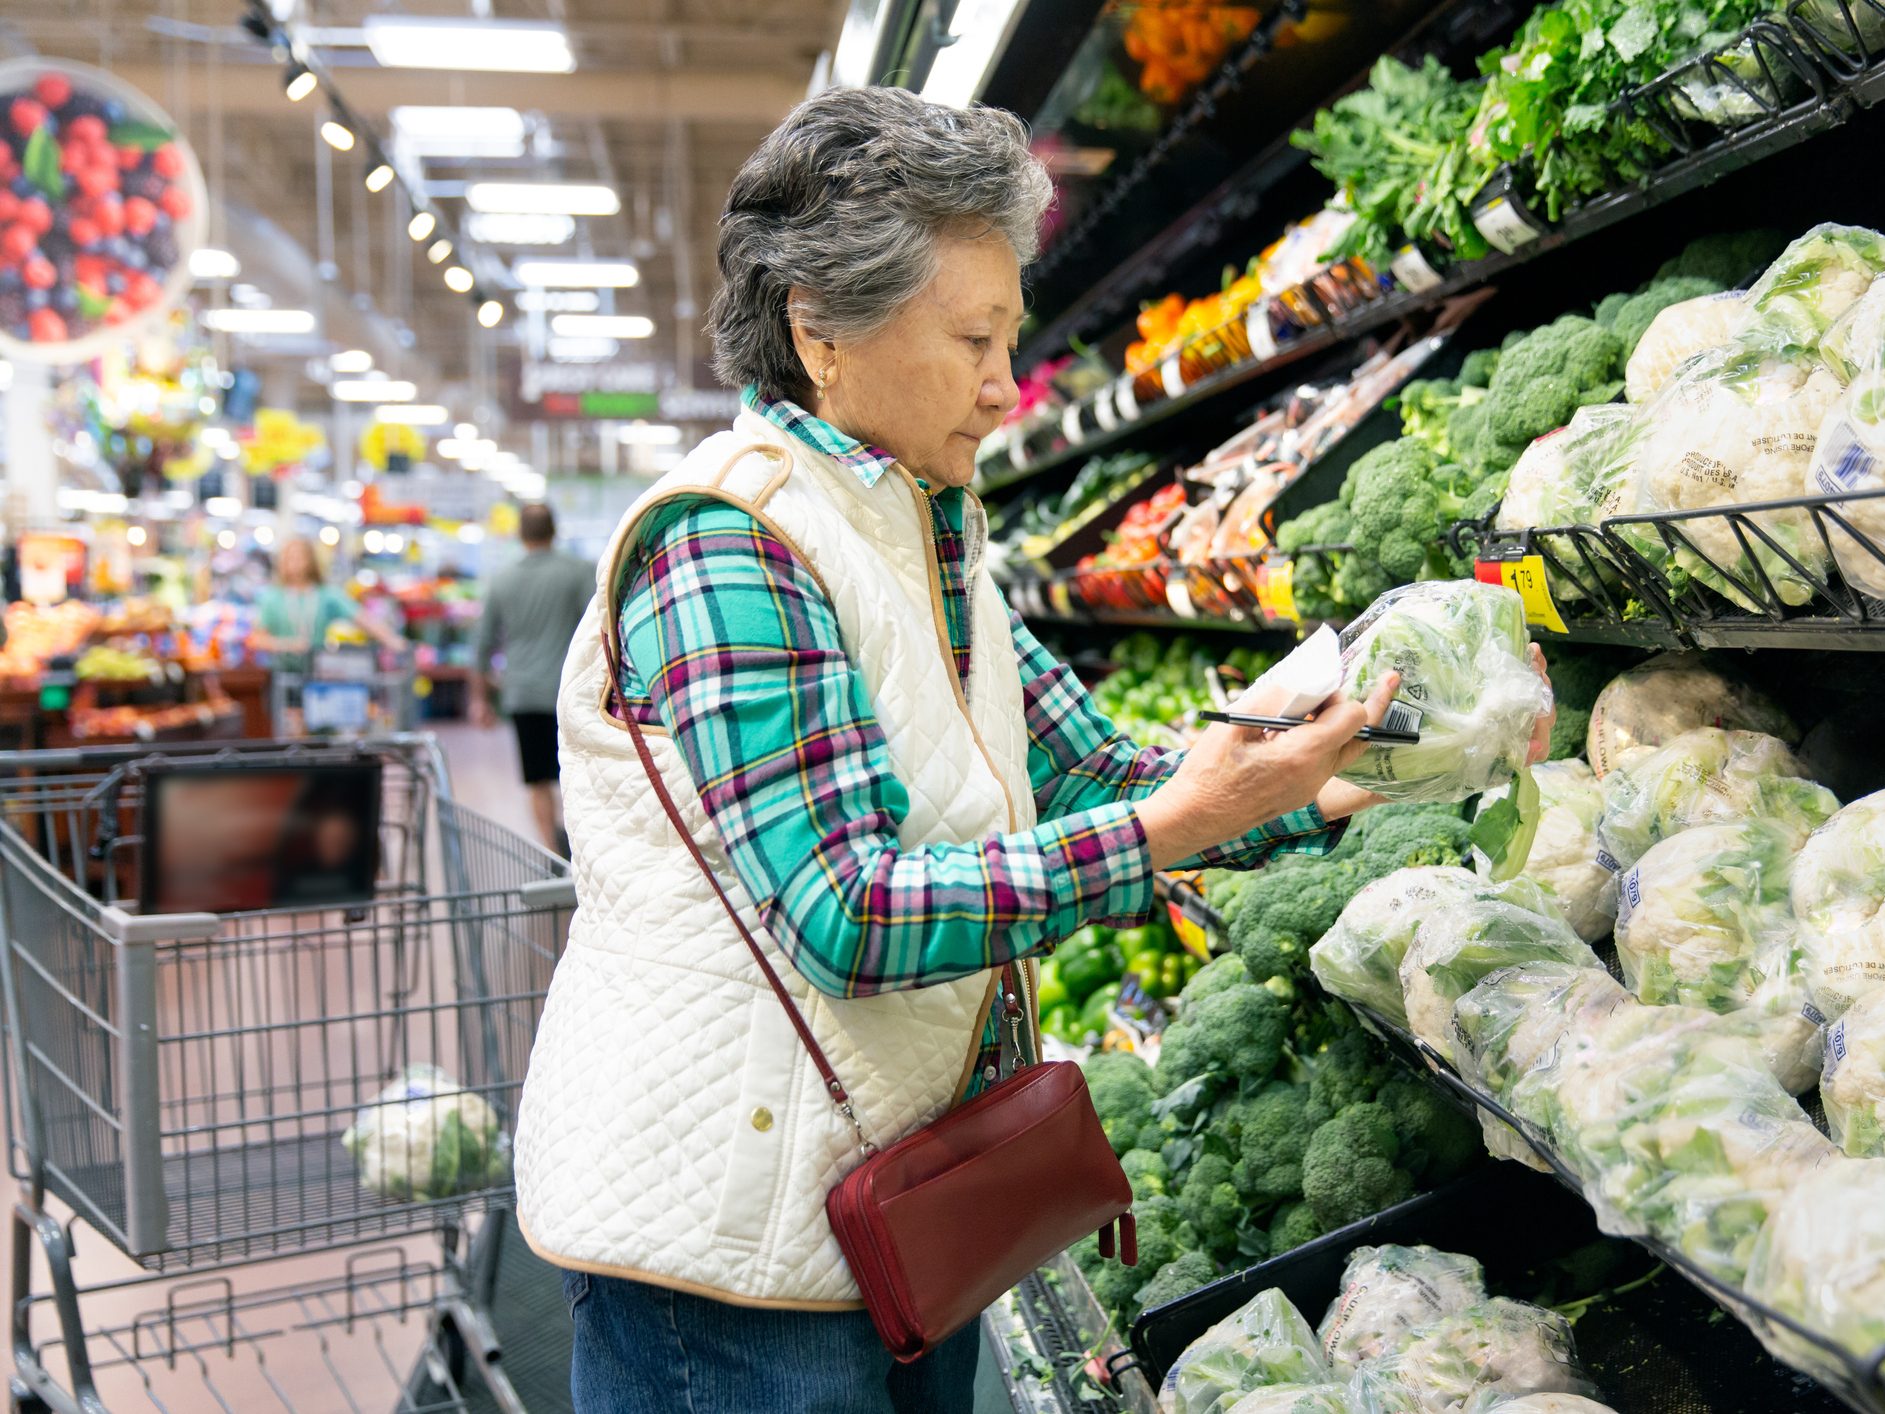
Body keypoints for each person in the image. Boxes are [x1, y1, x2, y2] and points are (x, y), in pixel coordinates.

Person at [512, 88, 1552, 1414]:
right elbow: (845, 908)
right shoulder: (729, 541)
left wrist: (1335, 775)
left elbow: (1093, 771)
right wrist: (1175, 829)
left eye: (1011, 335)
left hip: (899, 1193)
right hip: (724, 1257)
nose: (1007, 386)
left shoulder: (925, 529)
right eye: (975, 339)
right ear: (818, 332)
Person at [470, 503, 596, 854]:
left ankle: (552, 854)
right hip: (572, 692)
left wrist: (479, 699)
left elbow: (481, 643)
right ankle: (583, 849)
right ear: (554, 531)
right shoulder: (579, 571)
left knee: (537, 780)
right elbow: (600, 625)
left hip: (522, 694)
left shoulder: (502, 579)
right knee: (579, 775)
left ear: (519, 533)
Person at [254, 539, 404, 670]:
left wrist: (393, 641)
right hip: (281, 675)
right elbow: (258, 639)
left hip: (317, 672)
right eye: (290, 558)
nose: (295, 563)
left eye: (300, 557)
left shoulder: (326, 594)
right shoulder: (272, 598)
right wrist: (287, 645)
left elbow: (361, 617)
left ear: (310, 560)